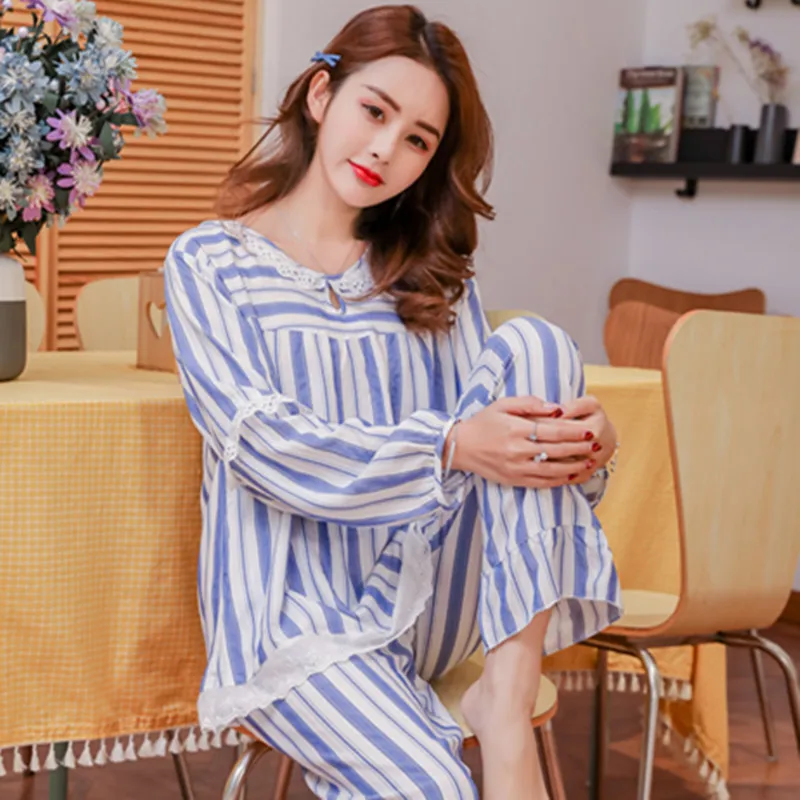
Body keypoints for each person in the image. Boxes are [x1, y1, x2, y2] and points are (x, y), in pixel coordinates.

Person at [164, 5, 622, 798]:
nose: (385, 148)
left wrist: (588, 450)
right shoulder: (210, 263)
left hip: (426, 596)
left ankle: (505, 705)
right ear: (321, 96)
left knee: (538, 346)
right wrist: (449, 446)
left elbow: (500, 465)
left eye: (417, 139)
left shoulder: (432, 275)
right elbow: (262, 446)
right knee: (430, 787)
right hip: (296, 620)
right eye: (375, 111)